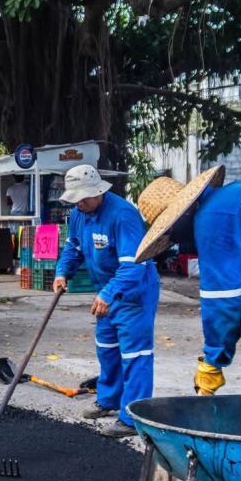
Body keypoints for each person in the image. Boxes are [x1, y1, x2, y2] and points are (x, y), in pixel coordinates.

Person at [135, 167, 241, 397]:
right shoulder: (238, 190)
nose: (174, 240)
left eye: (170, 233)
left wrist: (213, 361)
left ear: (180, 217)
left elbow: (223, 299)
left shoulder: (210, 220)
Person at [53, 164, 160, 437]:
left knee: (135, 355)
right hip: (106, 291)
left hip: (133, 292)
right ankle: (108, 399)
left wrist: (109, 294)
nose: (79, 203)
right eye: (75, 199)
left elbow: (134, 265)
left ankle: (132, 418)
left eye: (84, 198)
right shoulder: (78, 214)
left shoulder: (123, 215)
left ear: (98, 191)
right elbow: (73, 247)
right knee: (107, 348)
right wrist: (62, 272)